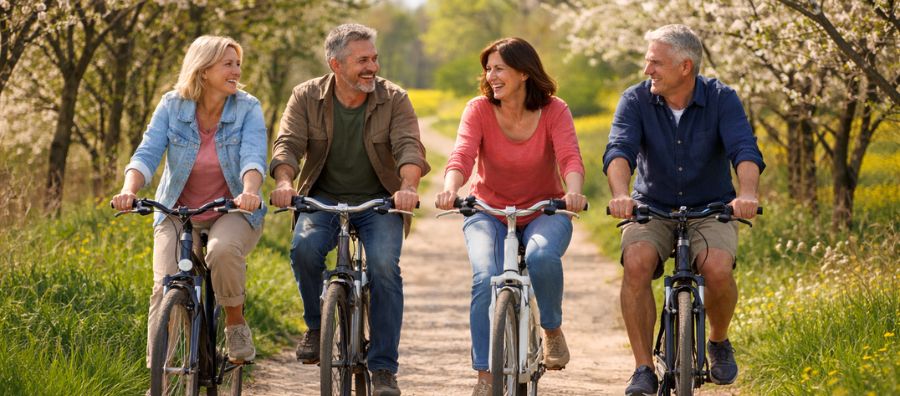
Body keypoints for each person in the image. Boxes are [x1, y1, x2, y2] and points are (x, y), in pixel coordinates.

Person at [604, 24, 765, 395]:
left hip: (711, 207)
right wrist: (621, 195)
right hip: (651, 206)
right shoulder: (635, 99)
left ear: (685, 67)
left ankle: (718, 340)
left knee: (717, 268)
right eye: (648, 62)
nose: (648, 70)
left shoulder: (722, 98)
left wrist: (747, 194)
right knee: (637, 262)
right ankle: (643, 368)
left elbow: (744, 149)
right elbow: (619, 150)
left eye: (656, 63)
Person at [268, 23, 429, 396]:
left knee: (384, 267)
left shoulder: (394, 98)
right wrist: (284, 182)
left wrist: (407, 188)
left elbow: (409, 146)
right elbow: (288, 144)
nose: (372, 67)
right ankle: (316, 326)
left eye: (374, 58)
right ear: (336, 65)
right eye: (363, 60)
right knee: (304, 249)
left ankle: (384, 368)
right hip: (322, 199)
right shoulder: (306, 96)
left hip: (380, 203)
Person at [435, 37, 586, 396]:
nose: (491, 76)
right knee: (484, 276)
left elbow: (569, 157)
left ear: (523, 73)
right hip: (488, 210)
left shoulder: (554, 110)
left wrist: (574, 192)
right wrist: (450, 188)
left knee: (540, 256)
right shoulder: (478, 109)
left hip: (544, 209)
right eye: (488, 69)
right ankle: (484, 376)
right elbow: (462, 155)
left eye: (499, 68)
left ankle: (551, 330)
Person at [111, 36, 267, 365]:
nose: (237, 71)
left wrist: (250, 191)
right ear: (203, 69)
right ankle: (159, 377)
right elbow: (147, 153)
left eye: (238, 64)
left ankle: (235, 323)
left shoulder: (247, 107)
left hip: (232, 209)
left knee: (221, 251)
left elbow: (253, 156)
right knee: (165, 285)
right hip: (178, 211)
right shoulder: (172, 105)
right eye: (228, 64)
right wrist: (129, 190)